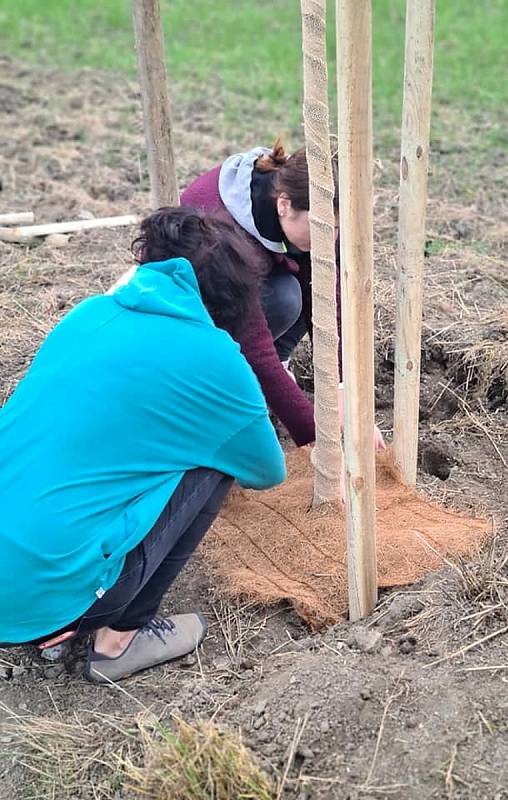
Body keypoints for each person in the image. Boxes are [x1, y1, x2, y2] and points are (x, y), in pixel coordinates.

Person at [0, 207, 286, 684]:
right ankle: (118, 638)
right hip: (42, 593)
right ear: (236, 296)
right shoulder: (217, 359)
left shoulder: (88, 313)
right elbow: (266, 471)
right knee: (212, 464)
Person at [181, 138, 386, 450]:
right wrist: (317, 438)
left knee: (300, 292)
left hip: (256, 272)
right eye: (322, 228)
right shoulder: (224, 235)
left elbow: (330, 301)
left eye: (335, 229)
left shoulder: (305, 208)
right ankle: (232, 385)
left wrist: (348, 394)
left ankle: (278, 374)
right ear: (284, 205)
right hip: (194, 311)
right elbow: (256, 348)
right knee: (280, 302)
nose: (328, 240)